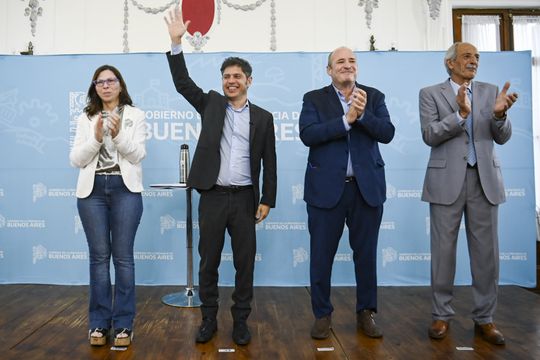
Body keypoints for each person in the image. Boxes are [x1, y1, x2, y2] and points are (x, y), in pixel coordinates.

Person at [164, 6, 277, 346]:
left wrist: (267, 199)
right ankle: (209, 319)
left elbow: (270, 162)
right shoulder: (211, 104)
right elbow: (183, 83)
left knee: (245, 265)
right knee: (208, 262)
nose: (231, 81)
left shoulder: (264, 117)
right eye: (226, 76)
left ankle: (240, 321)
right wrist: (175, 44)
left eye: (237, 76)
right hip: (212, 195)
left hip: (244, 199)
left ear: (249, 81)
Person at [419, 42, 518, 345]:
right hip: (445, 182)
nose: (473, 61)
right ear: (450, 63)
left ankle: (485, 320)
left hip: (484, 181)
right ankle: (440, 316)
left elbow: (501, 137)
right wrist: (460, 116)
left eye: (476, 57)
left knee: (487, 256)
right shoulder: (430, 93)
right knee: (443, 254)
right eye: (466, 56)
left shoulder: (490, 92)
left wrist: (500, 116)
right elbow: (430, 134)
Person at [299, 46, 395, 339]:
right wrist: (346, 120)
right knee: (321, 256)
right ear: (329, 70)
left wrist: (362, 114)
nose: (346, 64)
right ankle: (322, 314)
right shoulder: (314, 98)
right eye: (340, 61)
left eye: (351, 60)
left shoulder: (373, 96)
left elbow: (387, 133)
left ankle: (366, 313)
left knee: (365, 256)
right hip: (326, 191)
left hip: (366, 191)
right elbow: (308, 134)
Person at [70, 65, 147, 347]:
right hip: (92, 192)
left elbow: (138, 154)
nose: (105, 86)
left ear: (120, 84)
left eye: (110, 80)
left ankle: (124, 324)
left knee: (123, 258)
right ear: (95, 87)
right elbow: (77, 159)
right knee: (99, 258)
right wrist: (96, 136)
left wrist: (117, 135)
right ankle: (99, 324)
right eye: (100, 82)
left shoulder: (135, 115)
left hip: (125, 189)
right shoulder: (86, 117)